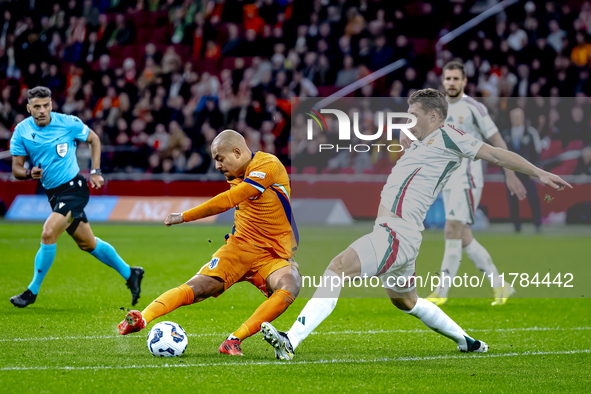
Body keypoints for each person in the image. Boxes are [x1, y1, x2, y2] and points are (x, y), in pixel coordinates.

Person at [260, 89, 570, 361]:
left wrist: (538, 173)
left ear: (435, 116)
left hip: (395, 234)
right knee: (405, 301)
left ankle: (291, 339)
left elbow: (495, 154)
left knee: (338, 267)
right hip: (400, 235)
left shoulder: (449, 135)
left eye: (414, 115)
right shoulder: (420, 143)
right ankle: (469, 342)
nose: (408, 121)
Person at [117, 130, 301, 356]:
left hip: (271, 256)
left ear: (237, 152)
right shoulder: (235, 172)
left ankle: (233, 341)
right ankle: (142, 318)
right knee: (196, 288)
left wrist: (184, 216)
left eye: (219, 158)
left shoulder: (268, 165)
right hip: (238, 250)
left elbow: (229, 199)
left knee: (290, 285)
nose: (216, 166)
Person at [9, 86, 143, 308]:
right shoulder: (21, 131)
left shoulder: (68, 123)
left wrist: (95, 171)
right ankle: (131, 273)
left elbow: (95, 140)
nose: (42, 110)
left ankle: (32, 291)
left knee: (48, 232)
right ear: (28, 108)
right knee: (87, 243)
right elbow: (16, 168)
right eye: (37, 107)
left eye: (45, 105)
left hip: (74, 188)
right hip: (53, 194)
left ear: (51, 105)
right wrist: (28, 173)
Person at [426, 61, 527, 307]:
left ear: (464, 81)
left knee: (451, 230)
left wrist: (510, 173)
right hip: (448, 180)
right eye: (447, 78)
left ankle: (441, 291)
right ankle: (501, 286)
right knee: (463, 237)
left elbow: (496, 141)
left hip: (468, 179)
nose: (451, 83)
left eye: (455, 79)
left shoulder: (474, 108)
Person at [502, 108, 543, 232]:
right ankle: (516, 226)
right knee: (513, 201)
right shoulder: (505, 134)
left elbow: (537, 153)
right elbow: (500, 155)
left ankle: (537, 224)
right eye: (514, 116)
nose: (517, 118)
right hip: (512, 173)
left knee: (533, 198)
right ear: (510, 118)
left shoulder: (531, 133)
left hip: (527, 173)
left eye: (519, 116)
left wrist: (535, 171)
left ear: (523, 117)